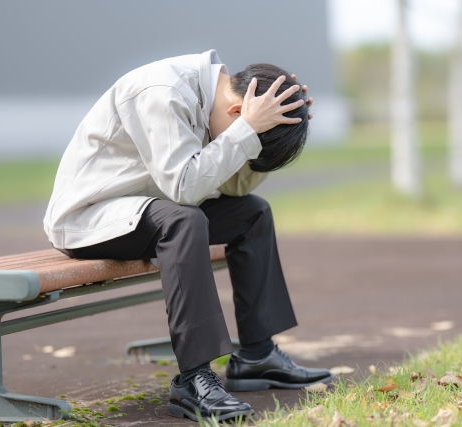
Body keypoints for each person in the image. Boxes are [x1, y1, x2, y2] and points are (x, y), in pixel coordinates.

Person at [43, 50, 333, 422]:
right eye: (247, 132)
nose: (245, 142)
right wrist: (247, 131)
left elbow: (234, 187)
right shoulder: (165, 92)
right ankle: (194, 379)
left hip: (148, 208)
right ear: (237, 111)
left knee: (252, 213)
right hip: (89, 216)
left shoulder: (213, 104)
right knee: (185, 220)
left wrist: (279, 125)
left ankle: (257, 356)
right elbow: (183, 187)